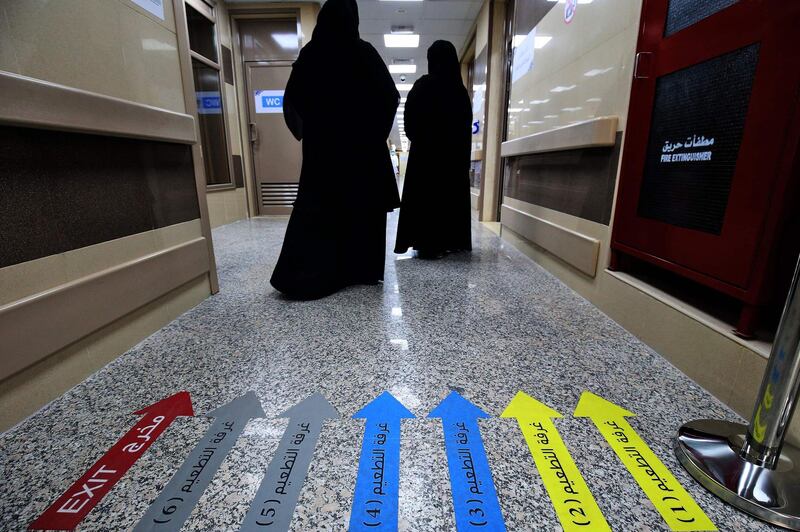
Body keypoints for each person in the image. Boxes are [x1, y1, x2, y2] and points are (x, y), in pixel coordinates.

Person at [270, 0, 400, 299]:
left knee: (319, 209)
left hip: (323, 151)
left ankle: (308, 274)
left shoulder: (311, 54)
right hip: (361, 152)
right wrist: (371, 133)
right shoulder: (364, 52)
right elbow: (390, 96)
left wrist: (309, 129)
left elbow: (292, 99)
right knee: (361, 208)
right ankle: (360, 271)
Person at [394, 40, 472, 259]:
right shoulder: (459, 91)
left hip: (425, 159)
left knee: (426, 199)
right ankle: (451, 241)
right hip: (452, 161)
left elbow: (409, 123)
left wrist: (421, 140)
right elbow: (465, 130)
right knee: (449, 198)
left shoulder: (422, 86)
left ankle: (426, 242)